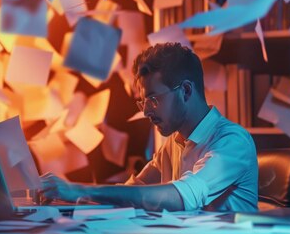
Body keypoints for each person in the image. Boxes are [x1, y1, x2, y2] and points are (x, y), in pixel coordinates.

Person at [40, 42, 258, 211]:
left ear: (186, 91)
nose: (145, 111)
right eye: (143, 102)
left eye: (153, 99)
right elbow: (133, 190)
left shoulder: (231, 141)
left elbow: (182, 196)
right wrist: (64, 202)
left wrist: (78, 189)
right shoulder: (175, 142)